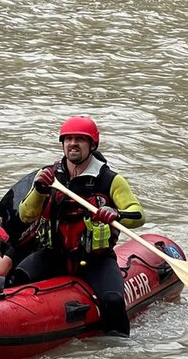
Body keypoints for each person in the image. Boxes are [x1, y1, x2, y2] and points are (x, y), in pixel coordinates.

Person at [13, 115, 146, 337]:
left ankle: (120, 348)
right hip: (54, 254)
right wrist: (39, 190)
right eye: (68, 139)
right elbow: (26, 216)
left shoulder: (109, 180)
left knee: (112, 300)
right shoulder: (48, 175)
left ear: (92, 145)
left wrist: (117, 214)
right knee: (16, 279)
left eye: (80, 139)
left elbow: (139, 215)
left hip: (96, 260)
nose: (73, 144)